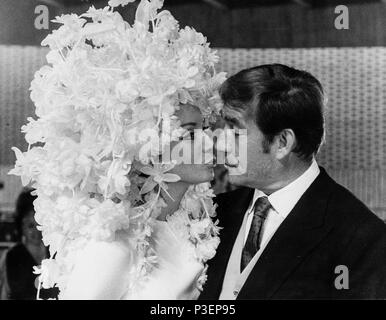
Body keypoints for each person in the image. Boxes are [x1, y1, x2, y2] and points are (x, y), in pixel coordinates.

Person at [9, 0, 225, 299]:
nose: (208, 143)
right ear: (148, 145)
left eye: (205, 130)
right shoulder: (115, 244)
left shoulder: (192, 226)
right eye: (189, 134)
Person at [200, 64, 386, 300]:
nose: (221, 144)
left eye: (235, 132)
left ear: (283, 143)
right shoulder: (216, 210)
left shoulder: (363, 240)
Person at [0, 189, 58, 300]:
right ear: (21, 226)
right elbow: (4, 294)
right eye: (30, 225)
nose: (36, 231)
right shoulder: (11, 256)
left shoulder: (55, 251)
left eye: (39, 224)